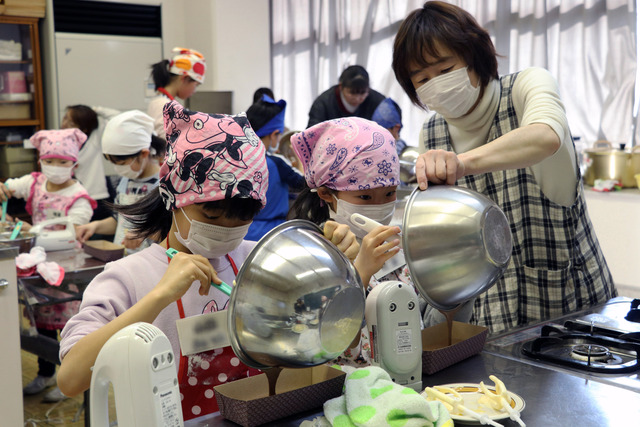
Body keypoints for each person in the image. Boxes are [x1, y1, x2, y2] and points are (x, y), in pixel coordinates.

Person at [57, 101, 359, 420]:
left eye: (241, 220)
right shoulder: (127, 277)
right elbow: (70, 379)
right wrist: (159, 297)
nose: (225, 231)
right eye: (211, 215)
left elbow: (324, 333)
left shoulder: (261, 262)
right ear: (174, 197)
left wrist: (336, 264)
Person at [391, 1, 616, 333]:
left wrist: (462, 163)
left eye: (443, 69)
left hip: (575, 316)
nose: (434, 84)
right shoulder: (433, 132)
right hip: (492, 321)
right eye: (422, 78)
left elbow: (545, 136)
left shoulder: (526, 88)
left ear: (474, 55)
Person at [288, 117, 473, 367]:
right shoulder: (314, 256)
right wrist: (360, 273)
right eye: (364, 196)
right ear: (325, 194)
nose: (379, 206)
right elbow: (328, 346)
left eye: (389, 194)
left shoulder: (402, 247)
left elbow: (432, 330)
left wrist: (456, 281)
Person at [0, 128, 97, 402]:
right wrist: (3, 188)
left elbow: (73, 231)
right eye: (50, 161)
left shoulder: (80, 196)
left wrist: (29, 229)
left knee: (67, 326)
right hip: (38, 265)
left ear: (74, 164)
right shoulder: (34, 183)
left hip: (68, 267)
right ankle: (45, 373)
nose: (55, 167)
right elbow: (8, 186)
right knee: (41, 321)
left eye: (63, 162)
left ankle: (70, 377)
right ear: (41, 160)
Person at [75, 110, 162, 252]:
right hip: (124, 258)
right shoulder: (125, 181)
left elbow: (175, 232)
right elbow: (120, 221)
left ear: (144, 153)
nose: (118, 169)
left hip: (151, 263)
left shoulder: (164, 185)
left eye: (122, 164)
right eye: (113, 163)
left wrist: (144, 233)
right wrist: (95, 226)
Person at [244, 95, 304, 241]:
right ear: (274, 134)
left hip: (242, 233)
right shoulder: (277, 162)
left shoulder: (237, 159)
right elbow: (304, 183)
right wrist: (299, 156)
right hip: (273, 235)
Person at [61, 104, 120, 224]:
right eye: (65, 118)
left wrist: (96, 110)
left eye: (72, 123)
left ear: (84, 129)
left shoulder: (93, 139)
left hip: (96, 196)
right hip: (71, 197)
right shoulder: (58, 143)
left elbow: (118, 118)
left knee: (95, 233)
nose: (65, 124)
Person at [147, 47, 206, 139]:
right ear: (184, 78)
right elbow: (166, 141)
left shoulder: (163, 102)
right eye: (196, 85)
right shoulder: (163, 104)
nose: (194, 91)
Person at [307, 65, 386, 128]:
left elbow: (390, 128)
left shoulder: (378, 101)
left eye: (362, 93)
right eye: (352, 93)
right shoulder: (323, 103)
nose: (357, 98)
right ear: (341, 87)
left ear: (368, 89)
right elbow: (312, 133)